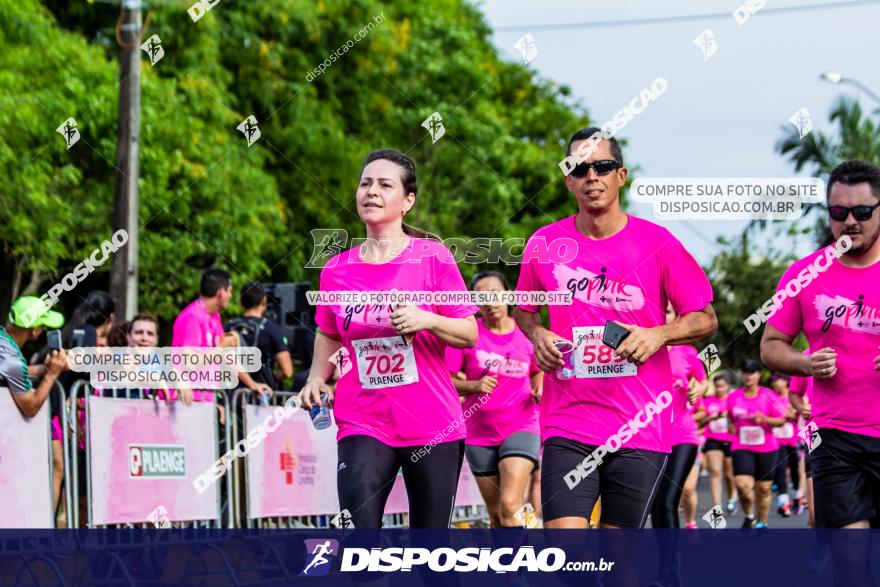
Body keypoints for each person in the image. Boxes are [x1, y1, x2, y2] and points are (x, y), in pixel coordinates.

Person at [514, 127, 718, 532]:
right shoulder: (545, 243)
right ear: (568, 179)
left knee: (618, 558)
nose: (592, 176)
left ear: (620, 175)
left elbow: (706, 318)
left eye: (602, 166)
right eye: (579, 168)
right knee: (566, 548)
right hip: (567, 421)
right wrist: (537, 335)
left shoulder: (657, 243)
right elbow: (525, 309)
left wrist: (658, 334)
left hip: (639, 422)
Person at [299, 149, 478, 528]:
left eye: (384, 184)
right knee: (358, 540)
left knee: (431, 558)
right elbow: (329, 332)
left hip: (431, 423)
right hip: (362, 420)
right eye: (365, 183)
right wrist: (317, 377)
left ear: (407, 201)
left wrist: (425, 318)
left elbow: (469, 333)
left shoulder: (434, 259)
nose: (371, 191)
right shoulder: (336, 270)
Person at [761, 160, 880, 537]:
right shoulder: (804, 274)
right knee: (849, 556)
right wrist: (806, 362)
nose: (850, 222)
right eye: (838, 212)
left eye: (862, 211)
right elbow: (771, 346)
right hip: (834, 436)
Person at [445, 271, 542, 528]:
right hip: (479, 433)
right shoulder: (468, 333)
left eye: (495, 294)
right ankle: (513, 556)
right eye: (481, 297)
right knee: (497, 515)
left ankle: (525, 562)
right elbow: (446, 381)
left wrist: (538, 388)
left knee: (510, 505)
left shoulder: (526, 331)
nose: (490, 302)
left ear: (508, 295)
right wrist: (473, 385)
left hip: (522, 426)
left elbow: (538, 369)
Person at [1, 296, 68, 512]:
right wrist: (52, 375)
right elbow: (30, 407)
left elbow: (10, 373)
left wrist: (41, 370)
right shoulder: (11, 358)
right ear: (35, 331)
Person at [651, 304, 708, 530]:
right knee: (655, 503)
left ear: (676, 318)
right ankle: (666, 558)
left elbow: (702, 382)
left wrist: (700, 388)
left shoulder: (687, 352)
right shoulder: (638, 348)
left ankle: (668, 565)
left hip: (681, 435)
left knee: (667, 501)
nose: (662, 316)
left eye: (667, 312)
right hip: (648, 437)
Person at [727, 360, 786, 528]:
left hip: (767, 447)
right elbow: (730, 417)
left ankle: (762, 523)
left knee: (764, 489)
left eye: (752, 372)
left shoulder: (769, 395)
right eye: (745, 372)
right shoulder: (734, 396)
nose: (748, 376)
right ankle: (749, 515)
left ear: (759, 375)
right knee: (742, 485)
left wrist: (765, 419)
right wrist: (731, 426)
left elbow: (781, 420)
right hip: (742, 446)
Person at [225, 281, 293, 391]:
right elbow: (287, 371)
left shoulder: (229, 326)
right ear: (264, 301)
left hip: (231, 394)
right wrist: (272, 378)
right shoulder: (273, 329)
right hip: (262, 394)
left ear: (240, 302)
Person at [695, 372, 738, 514]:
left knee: (729, 474)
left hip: (731, 440)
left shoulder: (734, 400)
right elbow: (700, 421)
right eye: (717, 386)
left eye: (722, 386)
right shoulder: (708, 401)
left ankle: (732, 499)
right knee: (715, 471)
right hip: (713, 439)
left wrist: (733, 425)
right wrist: (711, 419)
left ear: (728, 386)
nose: (719, 389)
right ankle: (717, 505)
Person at [768, 373, 801, 517]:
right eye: (773, 382)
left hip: (793, 438)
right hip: (777, 439)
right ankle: (783, 502)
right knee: (780, 469)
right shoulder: (771, 398)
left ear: (786, 381)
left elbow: (797, 414)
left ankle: (796, 495)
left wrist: (789, 414)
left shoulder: (792, 396)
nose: (775, 384)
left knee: (795, 471)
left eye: (778, 381)